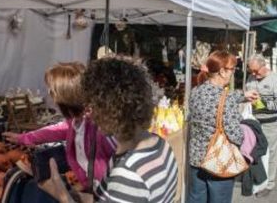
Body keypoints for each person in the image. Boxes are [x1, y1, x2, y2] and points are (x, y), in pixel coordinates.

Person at [39, 57, 178, 203]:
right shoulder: (161, 145)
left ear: (109, 109)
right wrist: (72, 194)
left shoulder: (128, 174)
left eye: (91, 105)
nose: (88, 113)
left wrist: (62, 195)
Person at [3, 62, 116, 191]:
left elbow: (123, 157)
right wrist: (23, 138)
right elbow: (54, 130)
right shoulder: (76, 122)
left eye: (53, 93)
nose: (52, 98)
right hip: (93, 187)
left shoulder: (101, 128)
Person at [188, 51, 258, 203]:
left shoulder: (195, 92)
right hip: (218, 161)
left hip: (196, 158)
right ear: (222, 71)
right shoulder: (226, 100)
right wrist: (248, 131)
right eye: (232, 69)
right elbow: (236, 135)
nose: (233, 73)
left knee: (196, 198)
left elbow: (219, 98)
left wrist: (243, 95)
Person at [246, 54, 277, 197]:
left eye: (256, 71)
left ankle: (269, 184)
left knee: (270, 153)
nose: (253, 74)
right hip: (254, 122)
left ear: (264, 66)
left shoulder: (274, 79)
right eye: (251, 71)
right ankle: (256, 179)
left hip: (271, 123)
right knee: (254, 152)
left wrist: (261, 103)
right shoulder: (251, 78)